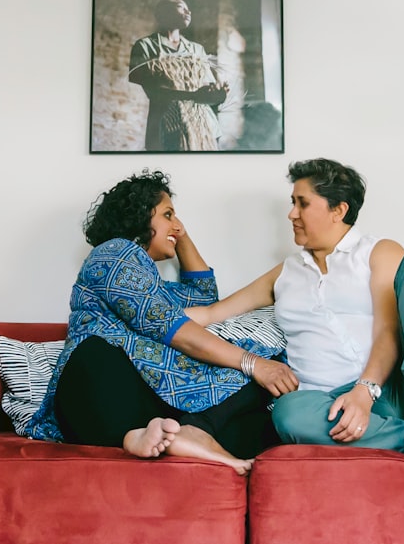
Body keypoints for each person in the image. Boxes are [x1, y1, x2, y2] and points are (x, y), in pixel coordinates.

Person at [186, 158, 404, 466]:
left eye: (302, 203)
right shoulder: (285, 273)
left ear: (338, 210)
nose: (291, 213)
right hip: (332, 406)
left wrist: (364, 391)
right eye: (292, 203)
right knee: (290, 413)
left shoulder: (378, 253)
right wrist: (144, 310)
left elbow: (388, 330)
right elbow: (212, 314)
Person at [27, 170, 297, 474]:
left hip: (148, 403)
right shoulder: (114, 254)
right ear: (141, 217)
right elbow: (176, 331)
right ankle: (136, 436)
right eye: (167, 214)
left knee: (258, 419)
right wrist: (251, 363)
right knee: (257, 366)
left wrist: (176, 231)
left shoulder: (153, 287)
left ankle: (179, 434)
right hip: (95, 389)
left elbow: (204, 298)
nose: (177, 226)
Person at [129, 0, 229, 151]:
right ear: (163, 13)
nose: (188, 12)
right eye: (181, 7)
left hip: (201, 127)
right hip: (167, 126)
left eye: (188, 8)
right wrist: (193, 96)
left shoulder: (196, 50)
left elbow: (204, 92)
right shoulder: (145, 46)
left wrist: (217, 96)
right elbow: (153, 92)